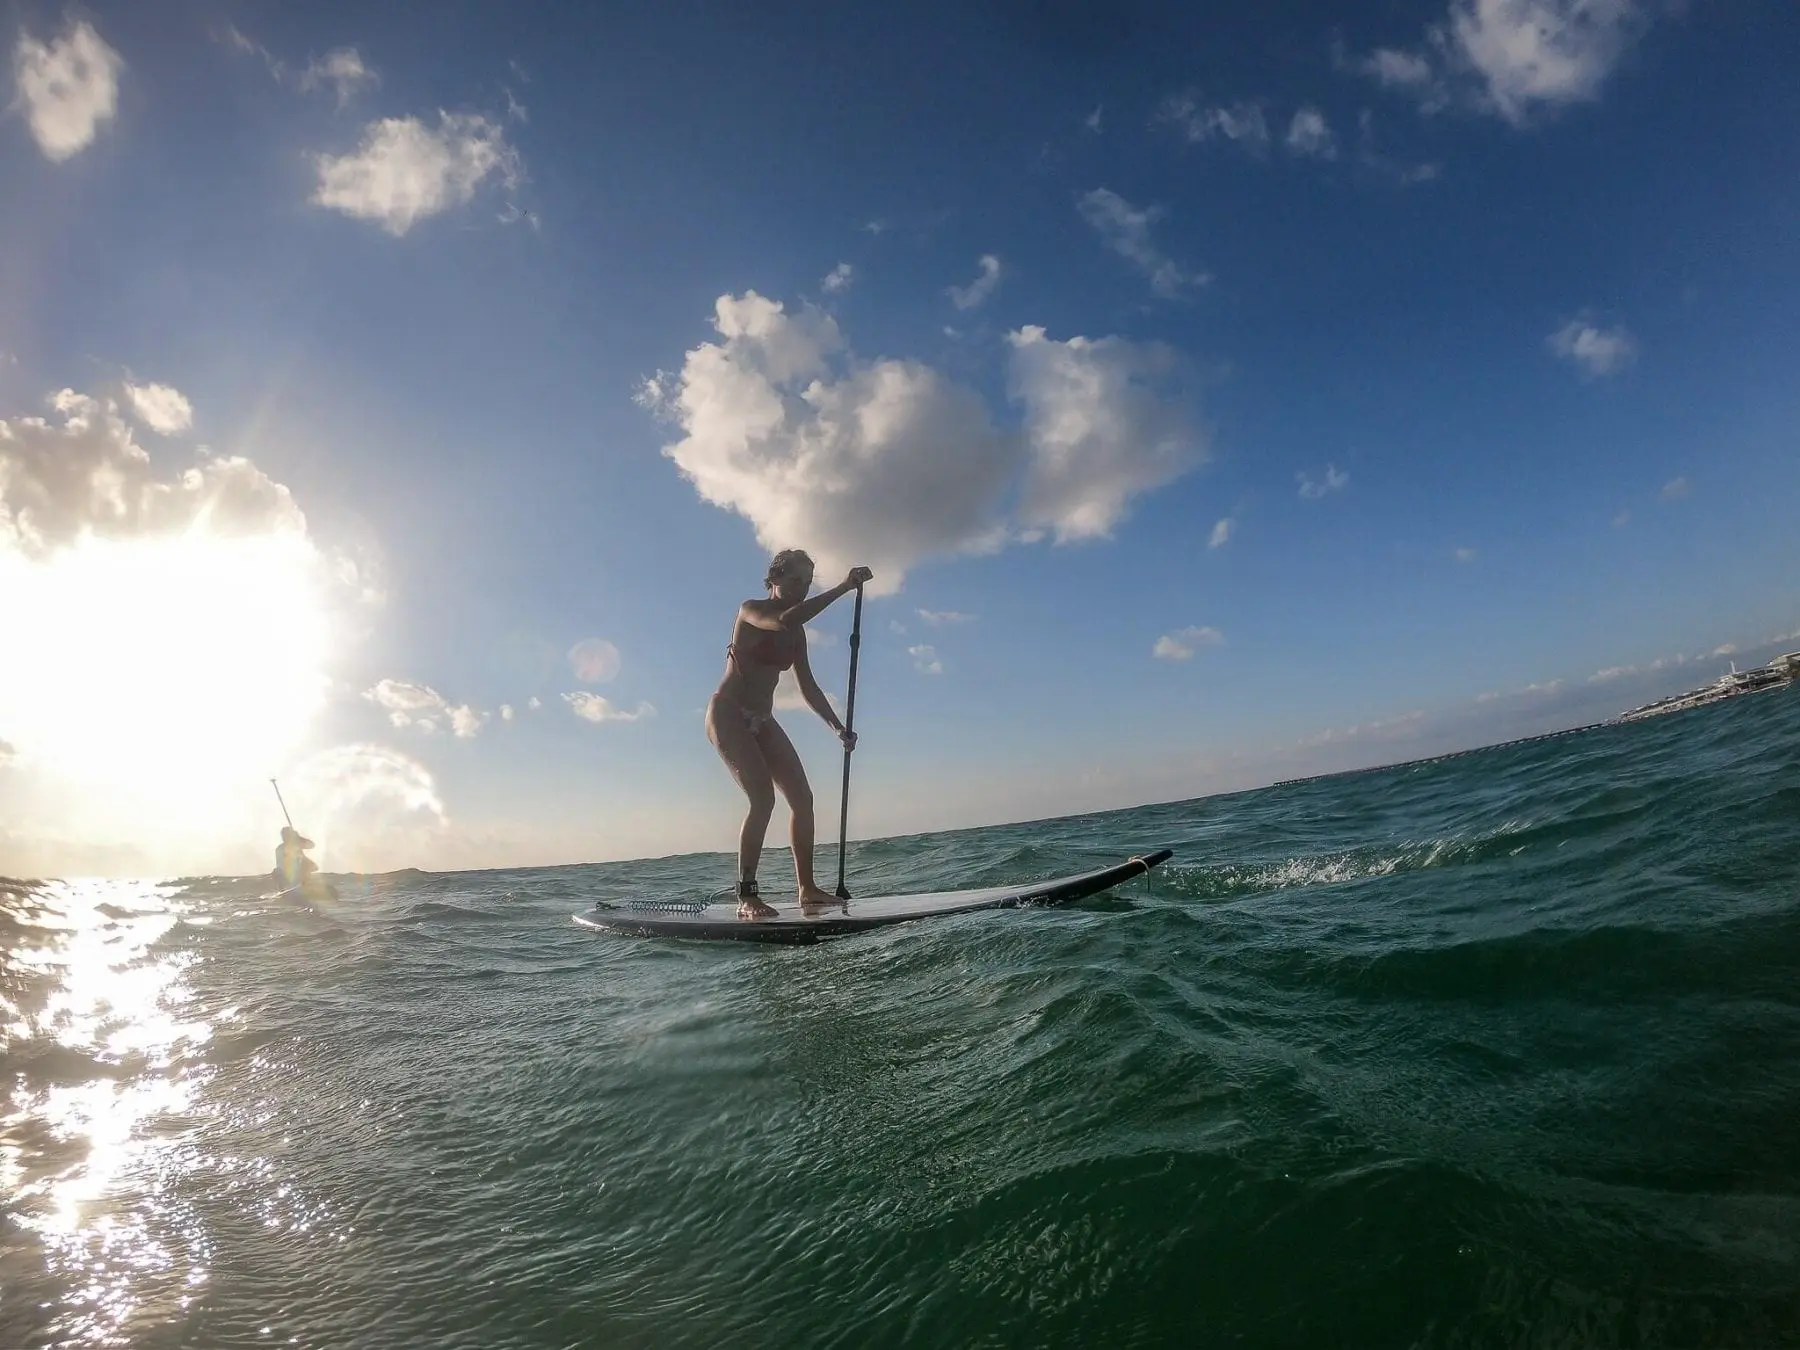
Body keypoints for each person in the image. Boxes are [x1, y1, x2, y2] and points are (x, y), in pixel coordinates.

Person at [709, 549, 872, 918]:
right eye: (796, 581)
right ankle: (747, 896)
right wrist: (845, 586)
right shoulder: (751, 610)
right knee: (763, 798)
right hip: (728, 713)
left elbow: (809, 687)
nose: (802, 589)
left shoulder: (797, 636)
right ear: (775, 579)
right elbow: (784, 619)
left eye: (808, 583)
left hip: (762, 719)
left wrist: (838, 728)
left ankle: (808, 889)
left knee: (802, 796)